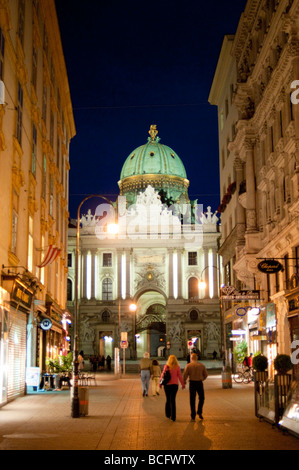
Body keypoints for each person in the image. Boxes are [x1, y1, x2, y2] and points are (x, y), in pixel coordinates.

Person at [160, 355, 185, 422]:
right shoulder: (177, 367)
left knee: (168, 399)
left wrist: (160, 383)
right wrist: (183, 384)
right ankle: (173, 417)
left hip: (167, 385)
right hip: (174, 385)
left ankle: (168, 414)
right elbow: (179, 376)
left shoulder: (166, 366)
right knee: (173, 400)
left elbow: (163, 375)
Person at [183, 352, 208, 421]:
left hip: (192, 383)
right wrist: (202, 379)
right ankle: (199, 411)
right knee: (202, 398)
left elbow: (185, 375)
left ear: (191, 358)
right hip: (199, 383)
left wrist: (184, 381)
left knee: (192, 399)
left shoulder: (188, 365)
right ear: (197, 358)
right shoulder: (201, 365)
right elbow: (206, 374)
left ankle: (193, 415)